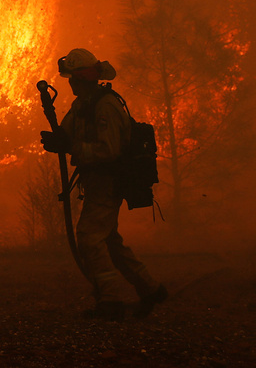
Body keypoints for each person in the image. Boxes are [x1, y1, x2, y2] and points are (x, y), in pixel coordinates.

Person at [40, 48, 168, 321]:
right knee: (109, 241)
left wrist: (70, 146)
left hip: (109, 181)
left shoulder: (106, 105)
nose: (70, 83)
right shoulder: (83, 104)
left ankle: (110, 299)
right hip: (96, 181)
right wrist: (57, 140)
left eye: (73, 78)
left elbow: (108, 150)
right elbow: (68, 132)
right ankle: (150, 288)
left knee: (88, 237)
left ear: (83, 78)